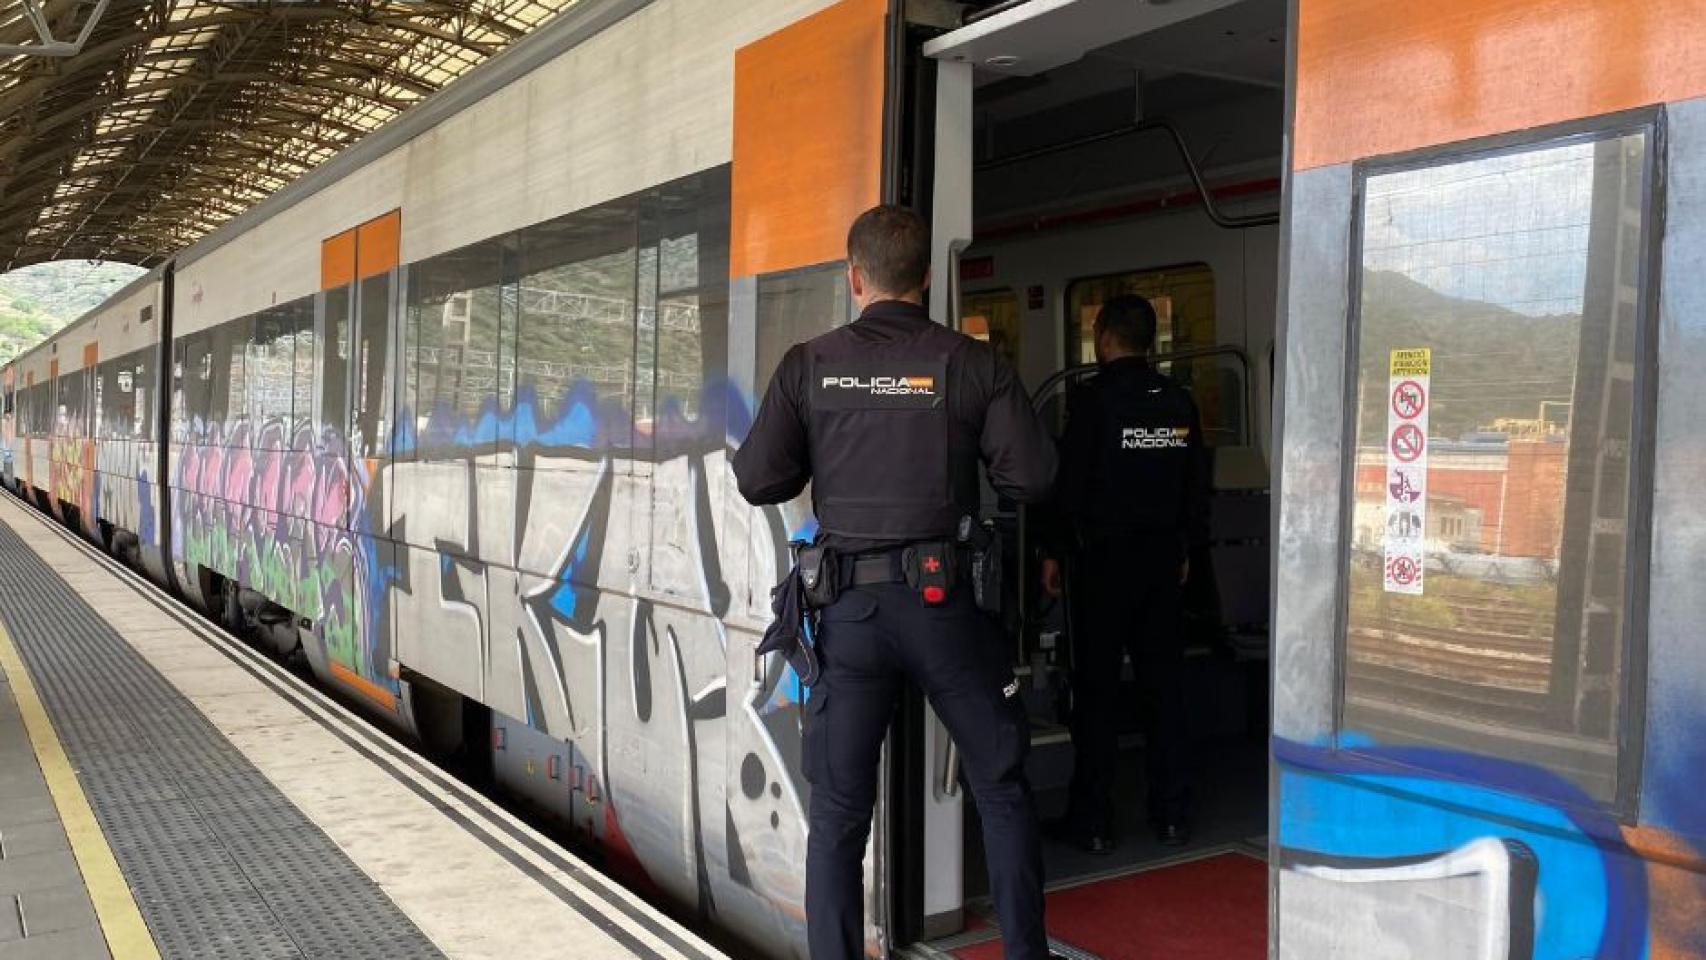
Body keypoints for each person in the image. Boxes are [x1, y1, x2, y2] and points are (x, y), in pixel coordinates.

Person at [734, 206, 1058, 960]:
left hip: (848, 613)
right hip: (946, 609)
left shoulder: (808, 364)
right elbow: (1033, 477)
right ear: (926, 279)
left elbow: (758, 478)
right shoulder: (970, 362)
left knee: (841, 815)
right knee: (1002, 790)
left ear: (856, 278)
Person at [1040, 295, 1210, 852]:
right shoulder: (1180, 403)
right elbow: (1193, 488)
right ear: (1151, 339)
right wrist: (1186, 548)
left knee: (1099, 692)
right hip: (1163, 562)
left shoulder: (1093, 403)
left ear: (1104, 335)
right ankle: (1173, 814)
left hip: (1103, 564)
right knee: (1166, 688)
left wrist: (1052, 552)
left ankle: (1092, 820)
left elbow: (1070, 488)